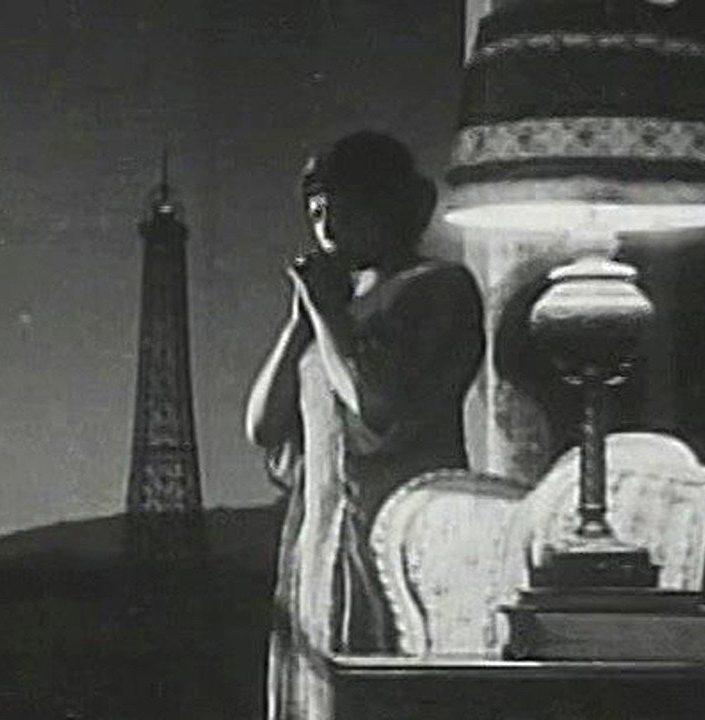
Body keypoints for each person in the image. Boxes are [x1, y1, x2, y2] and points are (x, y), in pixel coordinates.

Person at [244, 131, 484, 720]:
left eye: (345, 210)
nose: (327, 228)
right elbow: (264, 427)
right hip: (320, 535)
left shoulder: (438, 288)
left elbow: (377, 408)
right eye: (316, 212)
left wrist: (327, 316)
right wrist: (299, 325)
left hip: (392, 533)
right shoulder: (331, 308)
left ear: (391, 207)